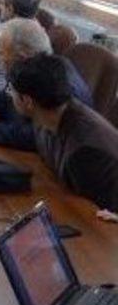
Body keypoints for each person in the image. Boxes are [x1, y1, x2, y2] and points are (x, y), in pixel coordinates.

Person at [0, 18, 95, 151]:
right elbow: (0, 101)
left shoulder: (59, 83)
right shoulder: (24, 68)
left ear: (22, 57)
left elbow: (38, 137)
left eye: (0, 52)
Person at [7, 54, 118, 211]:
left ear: (27, 101)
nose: (9, 95)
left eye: (10, 90)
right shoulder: (47, 116)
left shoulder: (83, 151)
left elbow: (92, 213)